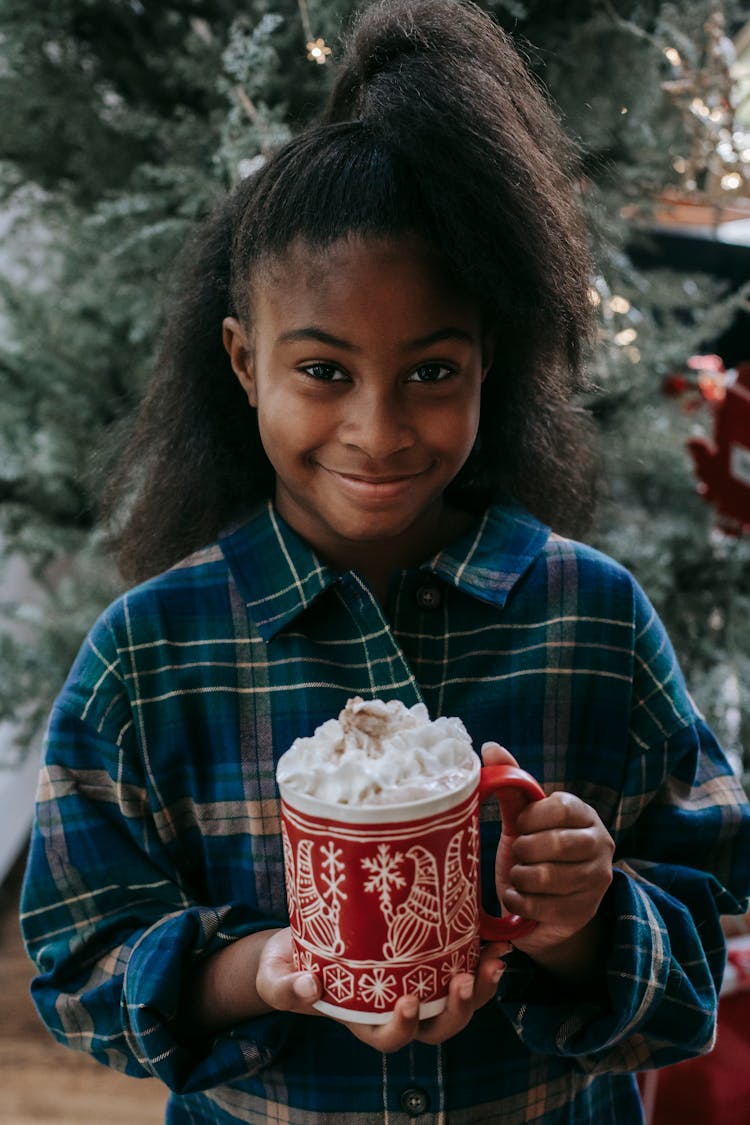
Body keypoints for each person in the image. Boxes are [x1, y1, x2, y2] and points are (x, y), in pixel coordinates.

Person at [19, 1, 750, 1122]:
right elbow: (80, 962)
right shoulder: (150, 654)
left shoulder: (592, 620)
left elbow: (707, 941)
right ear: (243, 360)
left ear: (487, 365)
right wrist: (261, 971)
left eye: (429, 373)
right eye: (323, 371)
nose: (378, 428)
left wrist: (587, 920)